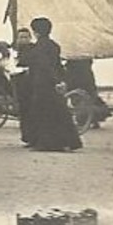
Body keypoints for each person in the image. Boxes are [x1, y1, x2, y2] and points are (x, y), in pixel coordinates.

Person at [19, 17, 83, 152]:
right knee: (59, 112)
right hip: (53, 83)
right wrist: (61, 80)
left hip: (42, 83)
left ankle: (47, 144)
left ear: (36, 32)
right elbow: (57, 65)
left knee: (43, 113)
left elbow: (42, 65)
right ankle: (70, 141)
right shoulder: (54, 46)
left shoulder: (38, 48)